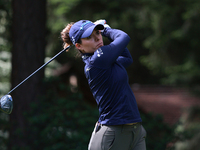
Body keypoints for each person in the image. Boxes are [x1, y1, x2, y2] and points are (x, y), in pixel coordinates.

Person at [61, 19, 147, 150]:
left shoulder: (107, 60)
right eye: (89, 37)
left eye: (97, 33)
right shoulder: (97, 61)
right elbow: (123, 37)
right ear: (79, 46)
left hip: (135, 130)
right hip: (113, 132)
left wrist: (104, 30)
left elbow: (127, 59)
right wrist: (106, 29)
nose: (97, 38)